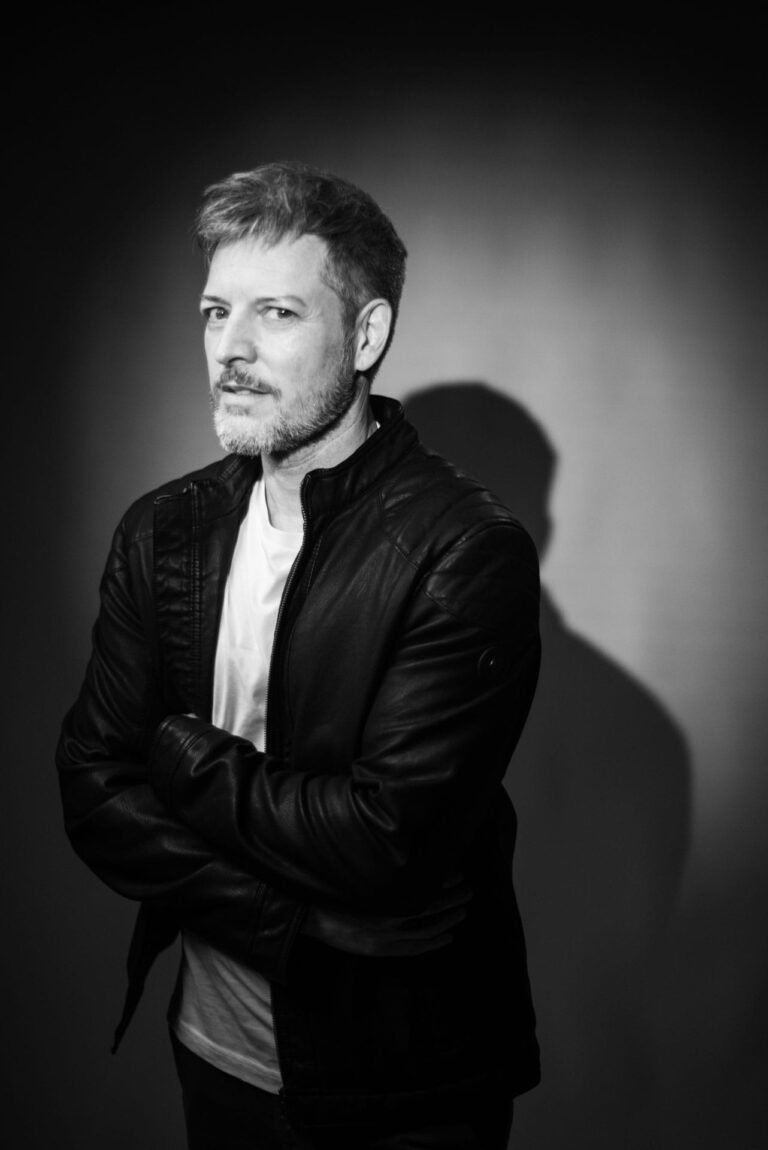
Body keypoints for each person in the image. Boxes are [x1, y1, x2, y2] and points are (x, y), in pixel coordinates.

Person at [56, 161, 541, 1149]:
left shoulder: (462, 550)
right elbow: (93, 789)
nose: (230, 349)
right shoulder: (165, 531)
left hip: (402, 1087)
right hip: (212, 1050)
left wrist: (183, 753)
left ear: (366, 335)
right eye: (214, 312)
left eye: (275, 312)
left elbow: (380, 843)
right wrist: (288, 917)